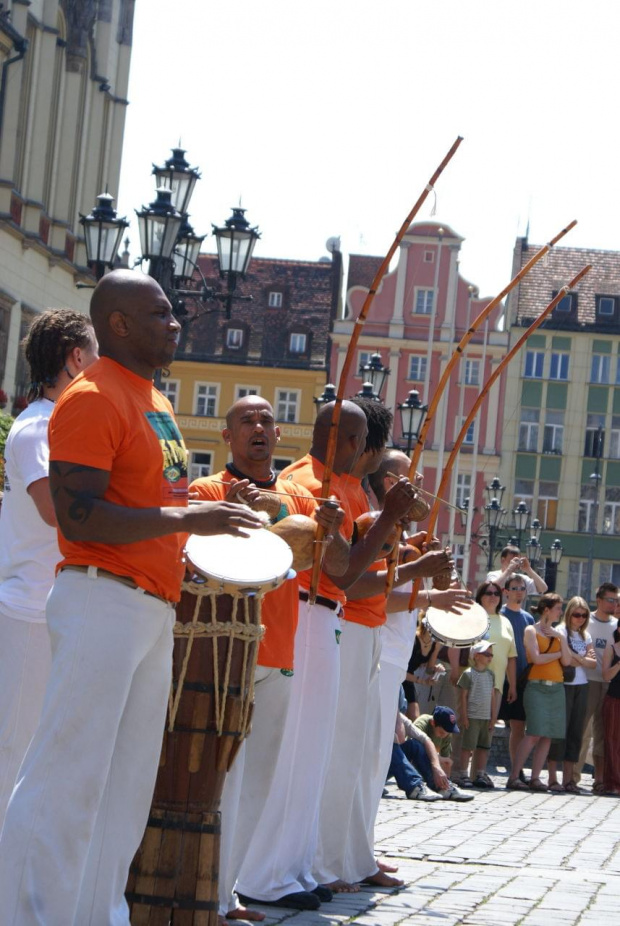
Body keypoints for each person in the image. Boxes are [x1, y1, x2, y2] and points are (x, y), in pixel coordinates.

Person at [0, 270, 264, 926]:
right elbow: (79, 515)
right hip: (100, 602)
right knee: (67, 776)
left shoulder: (156, 402)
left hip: (148, 605)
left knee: (124, 789)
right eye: (160, 314)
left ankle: (95, 915)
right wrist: (188, 524)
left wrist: (205, 528)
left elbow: (156, 502)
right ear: (118, 324)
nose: (175, 324)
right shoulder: (91, 397)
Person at [235, 400, 417, 909]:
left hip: (329, 616)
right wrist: (388, 525)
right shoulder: (301, 484)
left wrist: (391, 533)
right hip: (306, 610)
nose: (363, 454)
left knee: (312, 751)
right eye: (357, 442)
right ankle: (265, 871)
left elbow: (353, 566)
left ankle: (293, 866)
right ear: (334, 437)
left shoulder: (346, 485)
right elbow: (343, 571)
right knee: (293, 750)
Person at [190, 395, 346, 921]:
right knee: (213, 778)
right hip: (219, 648)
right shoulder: (208, 490)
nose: (257, 428)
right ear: (227, 435)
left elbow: (338, 570)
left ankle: (226, 892)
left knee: (257, 781)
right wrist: (235, 512)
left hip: (278, 650)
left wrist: (334, 525)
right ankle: (198, 889)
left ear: (279, 436)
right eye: (246, 421)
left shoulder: (301, 497)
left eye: (266, 421)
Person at [313, 401, 453, 893]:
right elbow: (355, 580)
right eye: (401, 479)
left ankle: (354, 853)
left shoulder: (379, 513)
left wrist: (423, 569)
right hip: (349, 627)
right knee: (344, 755)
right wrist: (424, 581)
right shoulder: (355, 502)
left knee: (367, 758)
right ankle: (328, 860)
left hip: (373, 639)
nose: (412, 491)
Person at [0, 309, 98, 828]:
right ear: (76, 359)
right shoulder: (39, 427)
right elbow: (57, 514)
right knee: (14, 747)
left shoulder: (51, 424)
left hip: (46, 606)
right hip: (28, 607)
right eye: (96, 355)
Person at [507, 593, 572, 792]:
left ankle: (535, 778)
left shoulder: (558, 633)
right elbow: (536, 658)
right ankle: (514, 776)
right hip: (536, 686)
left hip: (556, 688)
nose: (561, 612)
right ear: (547, 609)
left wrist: (561, 638)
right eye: (558, 608)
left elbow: (567, 662)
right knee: (534, 732)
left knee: (547, 735)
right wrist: (559, 653)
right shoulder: (531, 630)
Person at [547, 597, 596, 793]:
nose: (580, 619)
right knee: (559, 731)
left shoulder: (585, 636)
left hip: (582, 685)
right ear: (569, 614)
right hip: (564, 685)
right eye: (577, 614)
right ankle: (552, 778)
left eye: (584, 615)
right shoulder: (560, 631)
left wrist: (577, 657)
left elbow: (593, 664)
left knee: (576, 732)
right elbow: (565, 662)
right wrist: (581, 658)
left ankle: (569, 780)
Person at [574, 583, 619, 793]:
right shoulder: (587, 621)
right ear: (598, 600)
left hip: (609, 684)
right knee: (582, 729)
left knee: (604, 733)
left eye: (616, 600)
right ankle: (573, 776)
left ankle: (600, 779)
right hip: (588, 680)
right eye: (610, 599)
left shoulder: (616, 625)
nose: (614, 604)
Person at [388, 706, 474, 801]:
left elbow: (426, 740)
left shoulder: (397, 715)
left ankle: (442, 787)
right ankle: (414, 786)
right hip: (370, 770)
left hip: (385, 768)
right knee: (391, 747)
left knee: (415, 745)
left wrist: (436, 767)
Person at [499, 574, 535, 779]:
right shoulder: (501, 615)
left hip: (522, 679)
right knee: (489, 722)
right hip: (501, 677)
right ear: (506, 592)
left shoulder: (528, 617)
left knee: (518, 726)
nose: (519, 591)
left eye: (522, 588)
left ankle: (516, 767)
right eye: (514, 588)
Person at [457, 640, 499, 789]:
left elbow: (492, 696)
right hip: (472, 715)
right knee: (468, 746)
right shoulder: (468, 674)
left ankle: (480, 773)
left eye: (491, 655)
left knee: (483, 747)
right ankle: (463, 773)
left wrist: (494, 717)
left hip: (486, 717)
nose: (490, 657)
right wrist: (464, 715)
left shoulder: (490, 675)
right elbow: (463, 696)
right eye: (487, 654)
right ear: (476, 656)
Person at [602, 626, 620, 795]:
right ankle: (613, 782)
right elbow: (606, 676)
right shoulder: (611, 648)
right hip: (614, 699)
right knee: (612, 742)